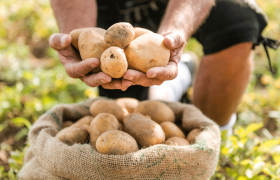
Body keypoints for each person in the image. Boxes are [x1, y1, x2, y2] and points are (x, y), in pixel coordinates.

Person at [49, 0, 270, 131]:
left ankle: (211, 139)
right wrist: (76, 37)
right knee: (134, 113)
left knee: (237, 20)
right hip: (107, 9)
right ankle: (183, 72)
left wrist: (173, 34)